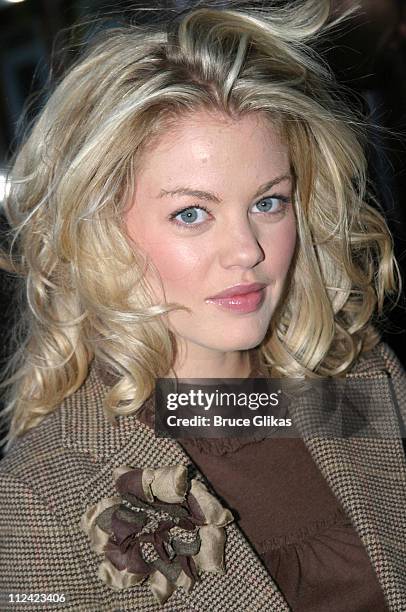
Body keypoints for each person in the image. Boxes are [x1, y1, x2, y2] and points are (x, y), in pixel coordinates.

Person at [0, 1, 405, 610]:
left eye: (269, 203)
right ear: (102, 233)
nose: (247, 251)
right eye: (192, 213)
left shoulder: (362, 379)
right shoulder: (38, 495)